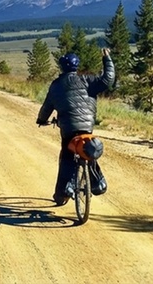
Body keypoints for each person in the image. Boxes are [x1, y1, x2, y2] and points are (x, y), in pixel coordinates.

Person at [36, 48, 115, 206]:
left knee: (67, 155)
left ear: (62, 67)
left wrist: (41, 119)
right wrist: (107, 58)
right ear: (76, 66)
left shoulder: (56, 85)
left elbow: (47, 106)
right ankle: (98, 182)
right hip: (87, 125)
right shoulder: (88, 80)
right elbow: (108, 79)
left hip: (68, 128)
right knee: (87, 150)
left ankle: (64, 192)